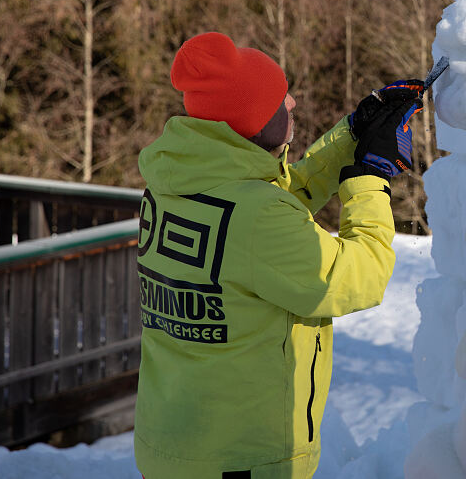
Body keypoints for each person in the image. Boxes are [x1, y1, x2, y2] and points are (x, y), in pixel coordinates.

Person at [134, 31, 424, 479]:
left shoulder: (177, 181)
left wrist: (351, 134)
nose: (292, 103)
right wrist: (371, 178)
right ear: (250, 119)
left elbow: (268, 211)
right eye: (279, 97)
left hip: (175, 445)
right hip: (242, 459)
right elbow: (358, 278)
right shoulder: (257, 216)